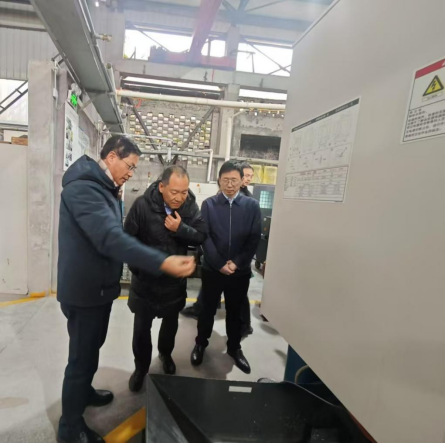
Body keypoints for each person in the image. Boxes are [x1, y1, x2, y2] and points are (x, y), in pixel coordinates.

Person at [57, 136, 195, 443]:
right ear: (111, 157)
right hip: (85, 291)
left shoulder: (103, 187)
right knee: (80, 359)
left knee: (91, 350)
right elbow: (110, 237)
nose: (131, 173)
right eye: (130, 166)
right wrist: (162, 262)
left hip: (99, 289)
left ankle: (84, 392)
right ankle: (70, 427)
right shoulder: (84, 190)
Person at [124, 166, 207, 393]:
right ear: (161, 187)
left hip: (173, 284)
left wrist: (181, 228)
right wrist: (139, 271)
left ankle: (165, 354)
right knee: (141, 330)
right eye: (174, 192)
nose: (179, 197)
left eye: (184, 192)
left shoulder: (190, 206)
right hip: (145, 284)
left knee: (170, 325)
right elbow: (127, 240)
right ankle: (141, 368)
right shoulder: (142, 205)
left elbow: (201, 235)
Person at [191, 161, 261, 374]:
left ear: (242, 181)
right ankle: (200, 343)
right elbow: (205, 237)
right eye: (225, 180)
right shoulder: (209, 205)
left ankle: (234, 347)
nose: (230, 185)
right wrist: (219, 263)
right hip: (213, 269)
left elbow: (254, 238)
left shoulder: (251, 206)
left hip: (239, 272)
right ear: (219, 181)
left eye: (234, 180)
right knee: (207, 309)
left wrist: (237, 262)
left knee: (235, 311)